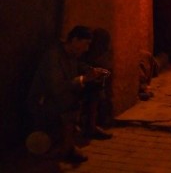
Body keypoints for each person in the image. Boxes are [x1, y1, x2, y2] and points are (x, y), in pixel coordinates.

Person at [27, 25, 112, 164]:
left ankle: (90, 127)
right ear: (75, 40)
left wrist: (93, 71)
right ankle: (67, 148)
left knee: (95, 87)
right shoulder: (53, 56)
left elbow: (79, 66)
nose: (87, 49)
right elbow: (56, 88)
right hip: (44, 100)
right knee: (69, 102)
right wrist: (84, 79)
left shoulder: (72, 54)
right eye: (85, 44)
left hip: (61, 93)